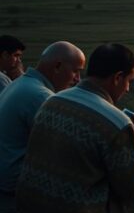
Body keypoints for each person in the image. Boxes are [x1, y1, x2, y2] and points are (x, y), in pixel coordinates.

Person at [16, 43, 134, 213]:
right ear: (117, 77)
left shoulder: (52, 101)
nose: (128, 88)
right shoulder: (118, 123)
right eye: (129, 81)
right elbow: (128, 188)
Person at [0, 42, 86, 194]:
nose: (78, 79)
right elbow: (67, 147)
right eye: (75, 71)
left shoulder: (20, 83)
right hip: (14, 192)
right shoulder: (41, 96)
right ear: (57, 66)